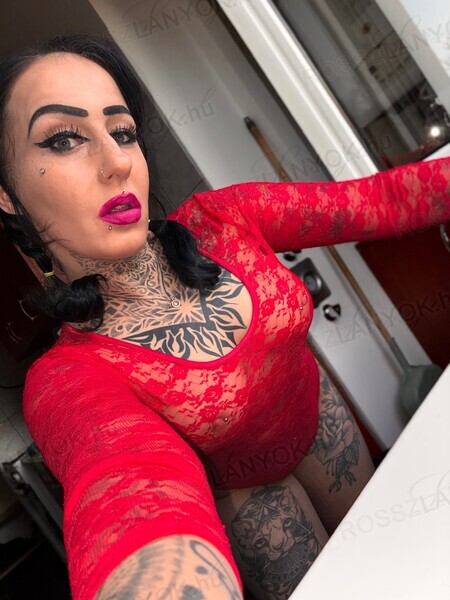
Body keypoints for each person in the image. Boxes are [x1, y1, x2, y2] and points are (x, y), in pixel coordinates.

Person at [0, 33, 448, 600]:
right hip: (251, 506)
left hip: (324, 428)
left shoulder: (224, 218)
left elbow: (385, 201)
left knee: (410, 566)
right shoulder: (67, 378)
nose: (117, 163)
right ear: (7, 194)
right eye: (64, 139)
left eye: (123, 132)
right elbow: (127, 488)